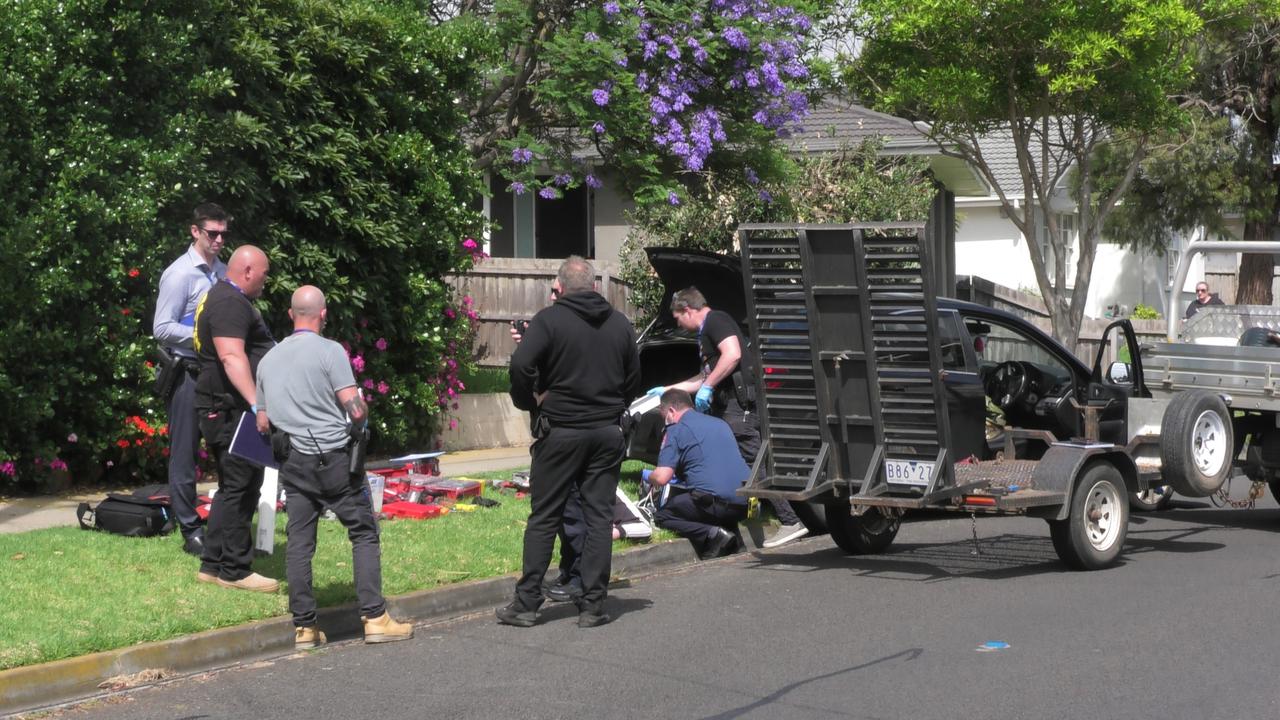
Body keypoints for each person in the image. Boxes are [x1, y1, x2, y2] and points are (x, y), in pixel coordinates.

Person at [256, 286, 413, 649]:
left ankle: (305, 629)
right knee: (363, 532)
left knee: (299, 542)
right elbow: (354, 409)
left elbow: (263, 422)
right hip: (335, 461)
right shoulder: (330, 351)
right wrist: (361, 411)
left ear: (290, 314)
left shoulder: (268, 360)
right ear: (323, 315)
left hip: (293, 463)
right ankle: (375, 617)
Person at [498, 255, 641, 629]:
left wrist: (530, 401)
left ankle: (526, 604)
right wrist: (613, 405)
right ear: (594, 287)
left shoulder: (549, 320)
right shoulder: (620, 324)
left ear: (558, 287)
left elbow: (519, 366)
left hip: (560, 431)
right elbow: (634, 378)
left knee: (545, 517)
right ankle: (592, 605)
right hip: (606, 432)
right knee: (598, 518)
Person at [649, 287, 809, 549]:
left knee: (756, 463)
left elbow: (732, 354)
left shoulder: (716, 320)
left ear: (688, 310)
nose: (678, 323)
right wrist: (669, 389)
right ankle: (749, 517)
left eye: (678, 317)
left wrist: (709, 387)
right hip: (731, 408)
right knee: (745, 465)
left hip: (739, 408)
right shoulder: (706, 334)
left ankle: (790, 521)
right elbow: (704, 376)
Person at [193, 245, 278, 592]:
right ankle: (235, 570)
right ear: (246, 271)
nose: (266, 279)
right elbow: (231, 357)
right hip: (231, 410)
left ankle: (212, 565)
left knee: (235, 486)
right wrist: (258, 404)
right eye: (264, 272)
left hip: (229, 407)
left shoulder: (229, 298)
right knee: (241, 487)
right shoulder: (228, 302)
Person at [153, 203, 230, 556]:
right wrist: (203, 335)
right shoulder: (180, 274)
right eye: (211, 233)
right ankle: (189, 528)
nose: (218, 240)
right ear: (194, 231)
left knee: (224, 449)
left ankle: (226, 522)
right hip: (186, 373)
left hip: (216, 374)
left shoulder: (222, 271)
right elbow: (162, 328)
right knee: (184, 454)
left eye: (222, 234)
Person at [648, 389, 750, 559]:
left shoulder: (676, 429)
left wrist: (649, 477)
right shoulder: (719, 423)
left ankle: (714, 535)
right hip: (746, 503)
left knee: (663, 516)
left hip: (715, 504)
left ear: (671, 411)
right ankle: (735, 540)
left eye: (663, 415)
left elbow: (661, 477)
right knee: (709, 495)